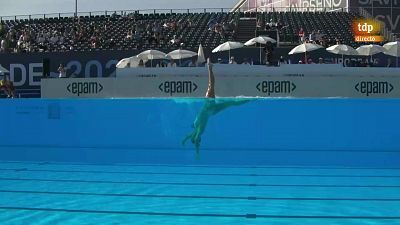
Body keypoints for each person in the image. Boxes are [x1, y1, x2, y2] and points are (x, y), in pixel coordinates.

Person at [182, 59, 252, 158]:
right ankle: (209, 68)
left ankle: (250, 99)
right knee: (211, 86)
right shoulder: (198, 130)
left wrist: (187, 143)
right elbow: (193, 138)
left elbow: (190, 137)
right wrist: (194, 150)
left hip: (212, 111)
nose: (196, 138)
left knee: (231, 103)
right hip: (209, 107)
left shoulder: (196, 131)